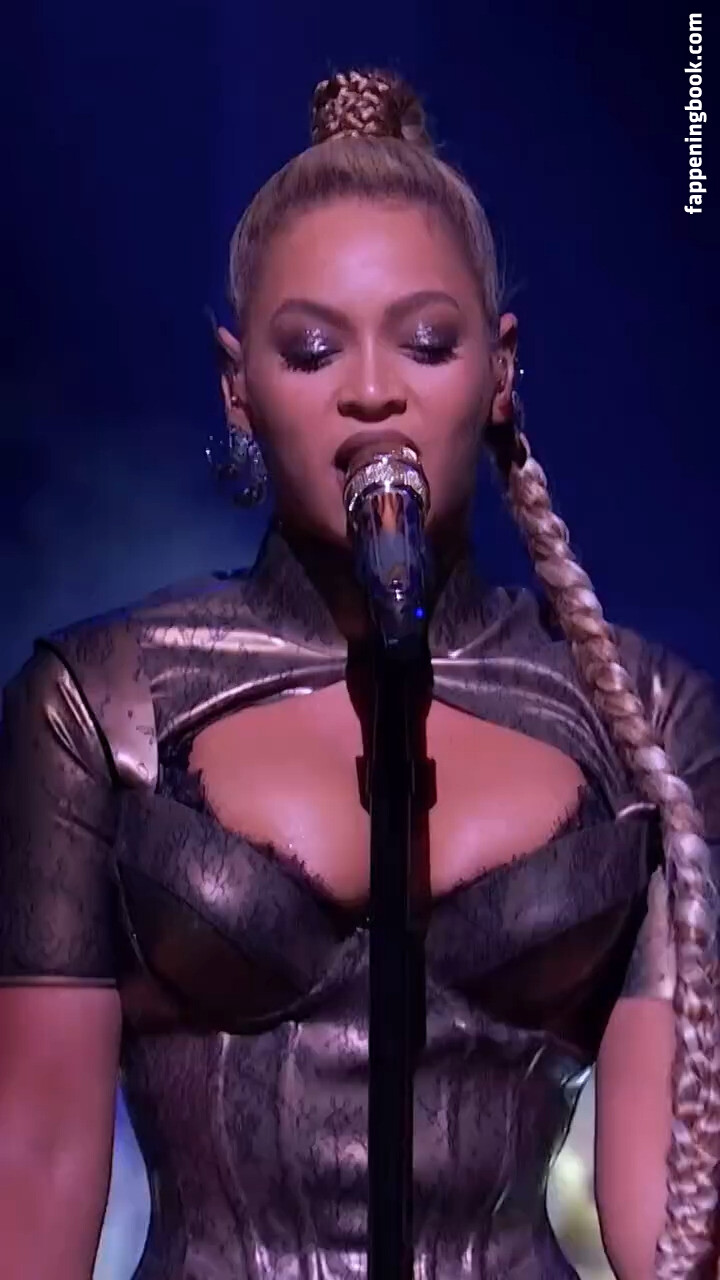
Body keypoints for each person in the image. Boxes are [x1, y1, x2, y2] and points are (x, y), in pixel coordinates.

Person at [0, 67, 718, 1280]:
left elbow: (667, 1219)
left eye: (428, 342)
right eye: (313, 347)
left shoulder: (646, 717)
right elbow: (35, 1165)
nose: (374, 389)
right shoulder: (103, 705)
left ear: (501, 370)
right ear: (238, 386)